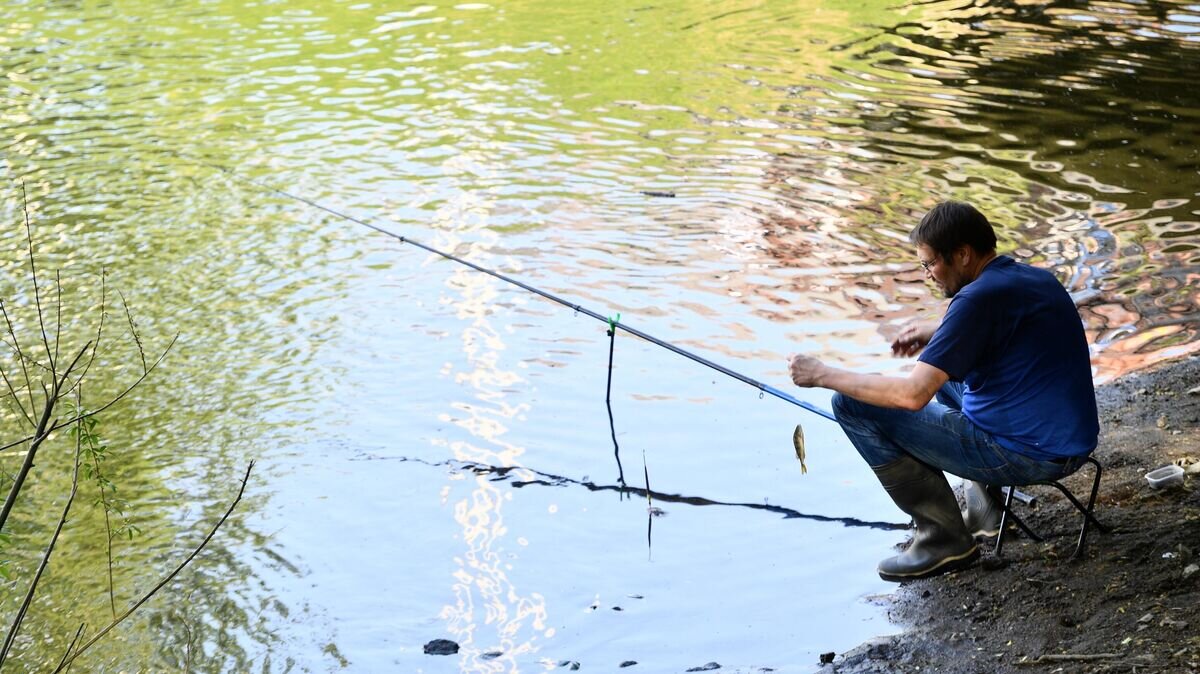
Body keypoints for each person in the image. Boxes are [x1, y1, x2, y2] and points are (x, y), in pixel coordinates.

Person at [787, 201, 1099, 582]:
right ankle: (985, 513)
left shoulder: (975, 300)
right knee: (952, 378)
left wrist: (822, 373)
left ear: (963, 254)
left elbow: (912, 396)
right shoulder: (1032, 279)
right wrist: (936, 334)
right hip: (1072, 442)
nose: (928, 275)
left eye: (930, 263)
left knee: (852, 404)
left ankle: (943, 539)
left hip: (1027, 454)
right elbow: (1005, 332)